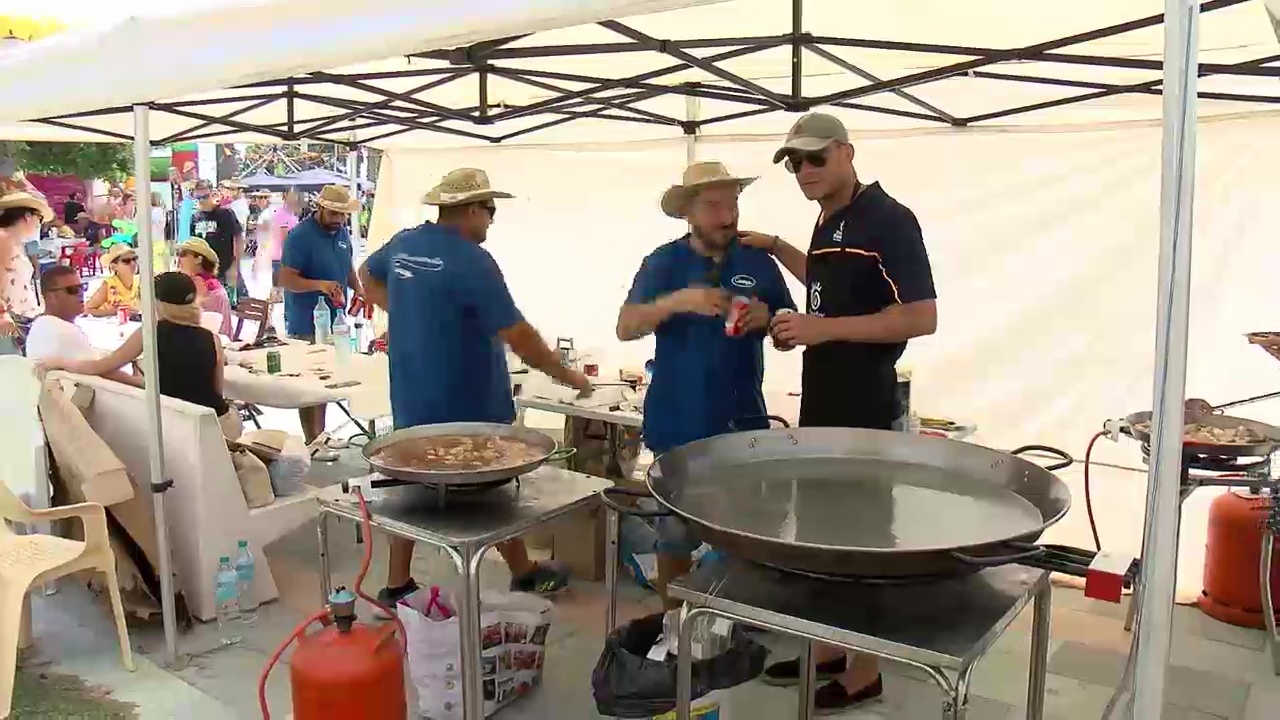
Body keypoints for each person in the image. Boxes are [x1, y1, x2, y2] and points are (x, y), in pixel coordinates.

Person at [739, 112, 937, 713]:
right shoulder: (829, 217)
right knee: (823, 531)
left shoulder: (890, 219)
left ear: (847, 153)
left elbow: (921, 316)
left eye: (816, 159)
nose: (804, 171)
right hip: (823, 395)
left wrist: (823, 330)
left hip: (865, 401)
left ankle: (866, 670)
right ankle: (828, 648)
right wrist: (777, 250)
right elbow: (824, 280)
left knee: (862, 537)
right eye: (794, 162)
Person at [359, 167, 593, 609]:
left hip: (411, 393)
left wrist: (406, 315)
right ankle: (522, 575)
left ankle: (397, 585)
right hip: (468, 398)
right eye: (489, 210)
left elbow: (365, 275)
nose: (491, 220)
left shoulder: (404, 243)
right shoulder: (472, 261)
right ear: (469, 210)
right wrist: (568, 376)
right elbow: (519, 335)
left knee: (408, 486)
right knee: (492, 493)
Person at [615, 161, 794, 607]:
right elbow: (626, 326)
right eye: (714, 205)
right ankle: (672, 621)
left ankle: (726, 620)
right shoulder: (664, 262)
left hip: (742, 424)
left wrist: (770, 320)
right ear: (688, 213)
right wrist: (681, 300)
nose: (727, 215)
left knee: (740, 534)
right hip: (678, 422)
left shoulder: (757, 260)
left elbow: (790, 330)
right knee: (675, 533)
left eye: (732, 204)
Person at [40, 272, 242, 440]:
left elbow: (102, 367)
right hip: (220, 425)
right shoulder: (212, 339)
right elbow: (216, 389)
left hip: (177, 427)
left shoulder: (151, 332)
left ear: (158, 302)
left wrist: (60, 363)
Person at [279, 185, 365, 459]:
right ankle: (312, 441)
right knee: (309, 381)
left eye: (342, 214)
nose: (338, 219)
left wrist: (359, 289)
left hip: (335, 319)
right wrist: (320, 285)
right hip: (306, 319)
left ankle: (322, 434)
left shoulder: (341, 233)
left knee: (326, 378)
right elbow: (286, 279)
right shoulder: (300, 237)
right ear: (320, 207)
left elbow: (347, 267)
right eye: (333, 213)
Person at [26, 266, 140, 387]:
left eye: (82, 287)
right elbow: (102, 370)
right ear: (50, 297)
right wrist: (141, 383)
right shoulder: (63, 331)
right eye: (72, 290)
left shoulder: (40, 326)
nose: (81, 294)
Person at [0, 178, 50, 355]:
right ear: (27, 216)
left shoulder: (14, 241)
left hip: (21, 319)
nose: (40, 223)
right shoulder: (4, 239)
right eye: (40, 218)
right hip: (9, 321)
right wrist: (2, 314)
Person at [190, 179, 244, 301]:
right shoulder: (195, 217)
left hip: (224, 268)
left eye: (204, 197)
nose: (201, 201)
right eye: (198, 198)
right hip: (203, 271)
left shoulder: (225, 214)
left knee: (228, 305)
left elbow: (238, 237)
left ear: (212, 194)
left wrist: (235, 266)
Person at [175, 238, 233, 335]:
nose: (179, 258)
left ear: (198, 259)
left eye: (184, 254)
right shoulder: (210, 281)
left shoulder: (199, 283)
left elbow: (190, 315)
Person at [84, 244, 141, 317]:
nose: (133, 263)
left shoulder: (141, 281)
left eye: (134, 259)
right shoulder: (109, 284)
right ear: (114, 266)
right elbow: (87, 309)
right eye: (126, 261)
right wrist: (114, 312)